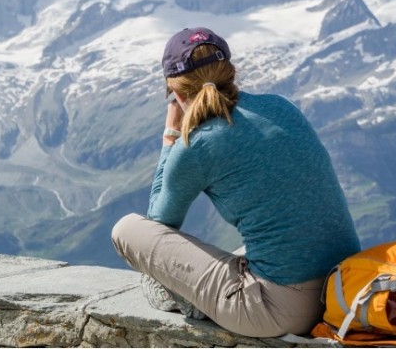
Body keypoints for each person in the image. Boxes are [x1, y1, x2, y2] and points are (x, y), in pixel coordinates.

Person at [111, 27, 361, 337]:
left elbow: (160, 222)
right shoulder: (281, 106)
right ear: (231, 71)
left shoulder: (196, 145)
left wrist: (171, 135)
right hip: (344, 287)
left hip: (281, 310)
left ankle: (185, 298)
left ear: (175, 92)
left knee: (126, 230)